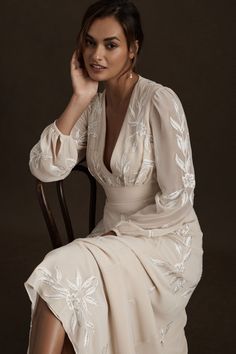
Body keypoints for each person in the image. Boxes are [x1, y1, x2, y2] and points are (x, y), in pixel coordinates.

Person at [24, 0, 204, 353]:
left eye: (111, 44)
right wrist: (79, 98)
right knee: (60, 286)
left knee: (58, 269)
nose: (97, 55)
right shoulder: (94, 109)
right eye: (89, 42)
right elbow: (44, 166)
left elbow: (179, 198)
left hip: (162, 241)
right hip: (112, 241)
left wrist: (120, 232)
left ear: (133, 49)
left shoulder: (160, 100)